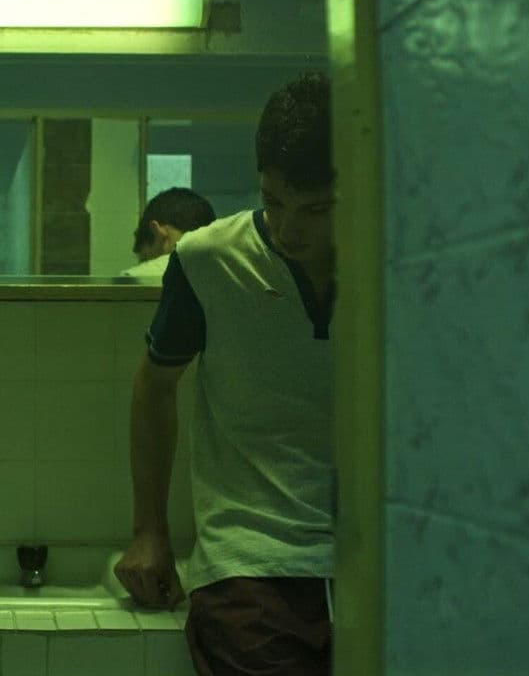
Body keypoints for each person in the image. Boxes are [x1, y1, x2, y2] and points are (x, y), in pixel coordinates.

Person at [113, 72, 337, 676]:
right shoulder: (208, 260)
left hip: (379, 558)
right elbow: (154, 385)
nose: (289, 230)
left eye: (317, 209)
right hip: (251, 562)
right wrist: (149, 531)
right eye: (274, 201)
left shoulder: (401, 263)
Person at [121, 187, 217, 281]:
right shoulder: (221, 271)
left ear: (157, 231)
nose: (147, 264)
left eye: (146, 258)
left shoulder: (134, 278)